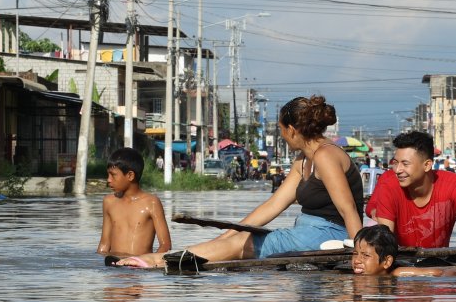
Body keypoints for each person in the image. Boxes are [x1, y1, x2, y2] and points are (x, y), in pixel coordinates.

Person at [118, 95, 364, 268]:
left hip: (330, 233)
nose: (282, 136)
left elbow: (349, 209)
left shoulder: (326, 155)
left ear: (291, 129)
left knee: (241, 245)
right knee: (237, 240)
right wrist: (224, 236)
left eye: (281, 129)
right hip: (307, 230)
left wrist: (360, 254)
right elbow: (272, 206)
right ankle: (182, 255)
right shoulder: (303, 160)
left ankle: (157, 260)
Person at [367, 130, 456, 249]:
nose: (398, 170)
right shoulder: (388, 186)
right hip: (401, 262)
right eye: (395, 163)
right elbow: (385, 243)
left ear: (427, 165)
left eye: (405, 164)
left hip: (439, 262)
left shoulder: (454, 185)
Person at [98, 147, 172, 258]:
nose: (108, 180)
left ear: (130, 176)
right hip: (113, 269)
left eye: (113, 175)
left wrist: (148, 262)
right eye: (108, 175)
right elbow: (104, 245)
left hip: (140, 269)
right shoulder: (109, 202)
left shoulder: (151, 203)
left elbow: (165, 245)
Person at [351, 225, 456, 277]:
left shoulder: (398, 273)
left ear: (386, 262)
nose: (356, 260)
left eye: (365, 255)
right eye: (355, 254)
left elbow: (447, 271)